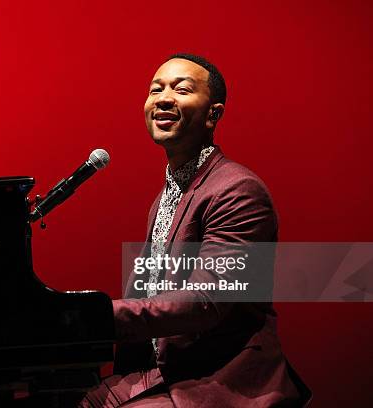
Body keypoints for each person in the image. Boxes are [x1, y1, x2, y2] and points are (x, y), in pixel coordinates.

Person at [79, 54, 311, 407]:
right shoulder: (165, 197)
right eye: (156, 89)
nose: (164, 97)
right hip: (160, 373)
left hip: (219, 378)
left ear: (213, 114)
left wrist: (88, 316)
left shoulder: (237, 190)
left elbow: (204, 302)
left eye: (181, 89)